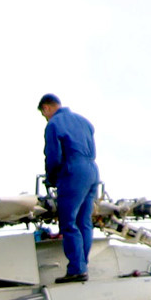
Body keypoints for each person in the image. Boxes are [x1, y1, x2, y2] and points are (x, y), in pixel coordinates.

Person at [38, 94, 100, 283]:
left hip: (73, 172)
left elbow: (53, 156)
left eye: (43, 114)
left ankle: (76, 269)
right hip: (92, 172)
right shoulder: (85, 122)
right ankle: (82, 265)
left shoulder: (54, 124)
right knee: (84, 222)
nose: (45, 117)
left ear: (47, 108)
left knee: (68, 223)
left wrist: (51, 179)